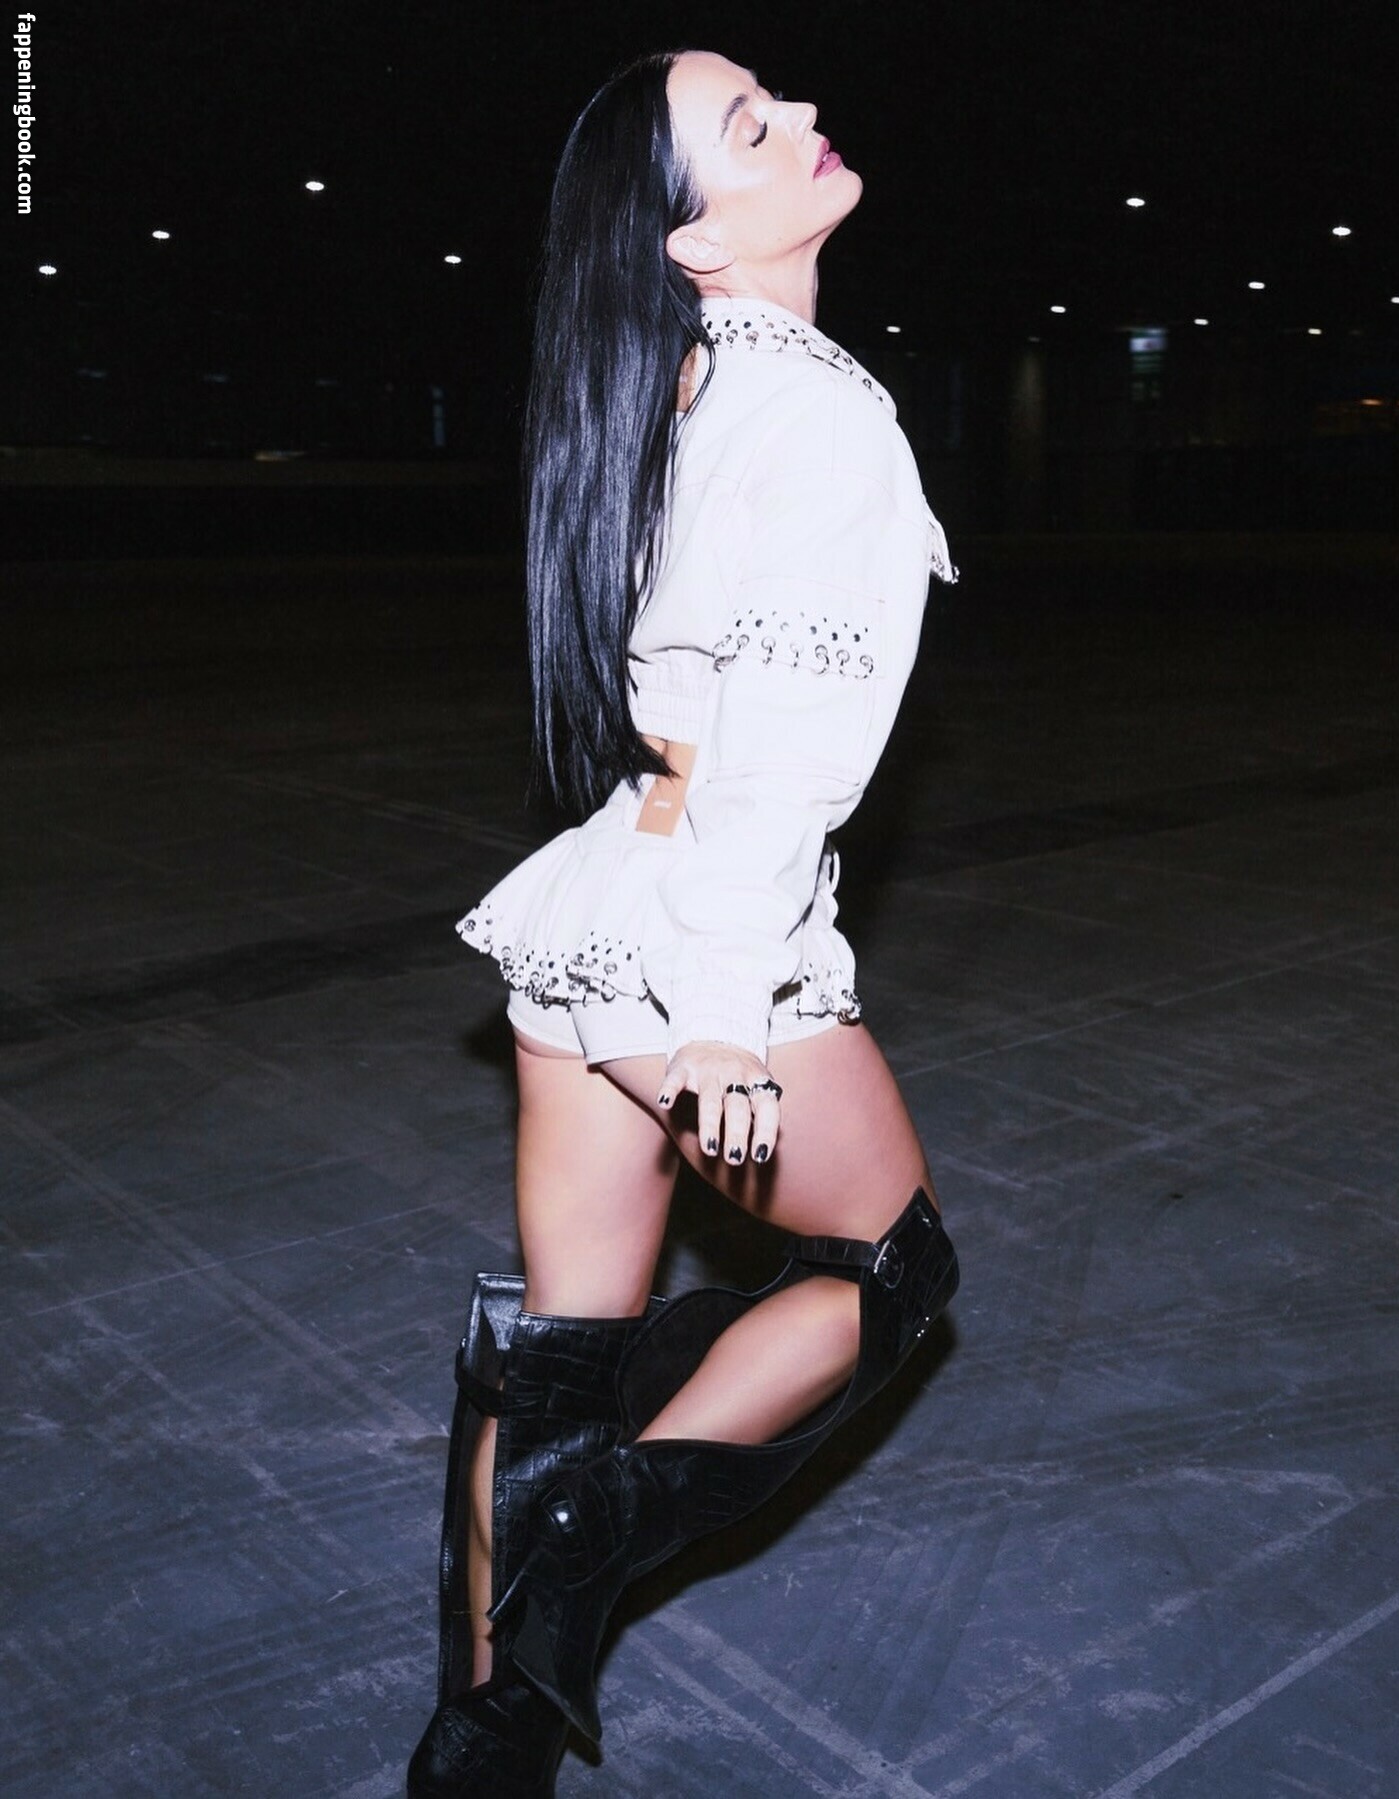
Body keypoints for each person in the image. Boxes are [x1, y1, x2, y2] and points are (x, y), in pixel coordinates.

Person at [408, 46, 961, 1799]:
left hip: (602, 902)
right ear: (696, 241)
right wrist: (725, 1007)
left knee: (562, 1356)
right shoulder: (820, 412)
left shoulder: (680, 391)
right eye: (750, 126)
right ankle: (588, 1532)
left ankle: (482, 1735)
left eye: (778, 97)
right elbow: (782, 752)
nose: (803, 118)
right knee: (892, 1273)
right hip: (712, 919)